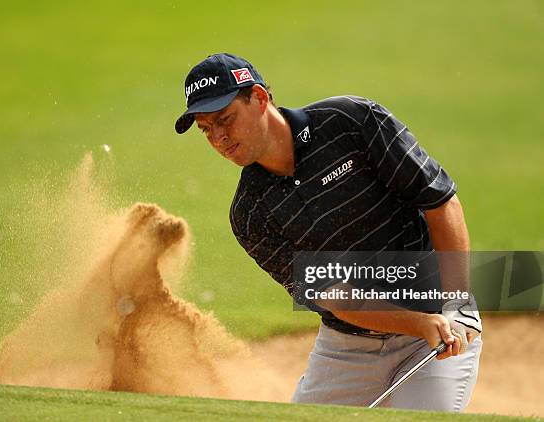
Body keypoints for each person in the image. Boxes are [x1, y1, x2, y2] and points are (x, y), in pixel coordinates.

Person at [174, 53, 482, 411]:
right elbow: (330, 293)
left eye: (225, 119)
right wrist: (416, 323)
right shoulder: (250, 214)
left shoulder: (350, 122)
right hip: (346, 349)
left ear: (259, 98)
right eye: (206, 129)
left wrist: (457, 303)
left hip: (438, 330)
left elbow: (440, 201)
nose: (219, 138)